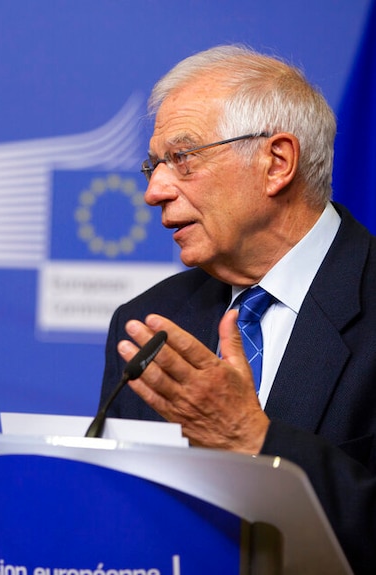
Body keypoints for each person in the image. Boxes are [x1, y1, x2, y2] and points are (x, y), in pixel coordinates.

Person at [99, 45, 376, 573]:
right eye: (152, 166)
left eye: (181, 158)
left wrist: (253, 440)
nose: (154, 191)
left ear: (276, 163)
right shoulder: (150, 321)